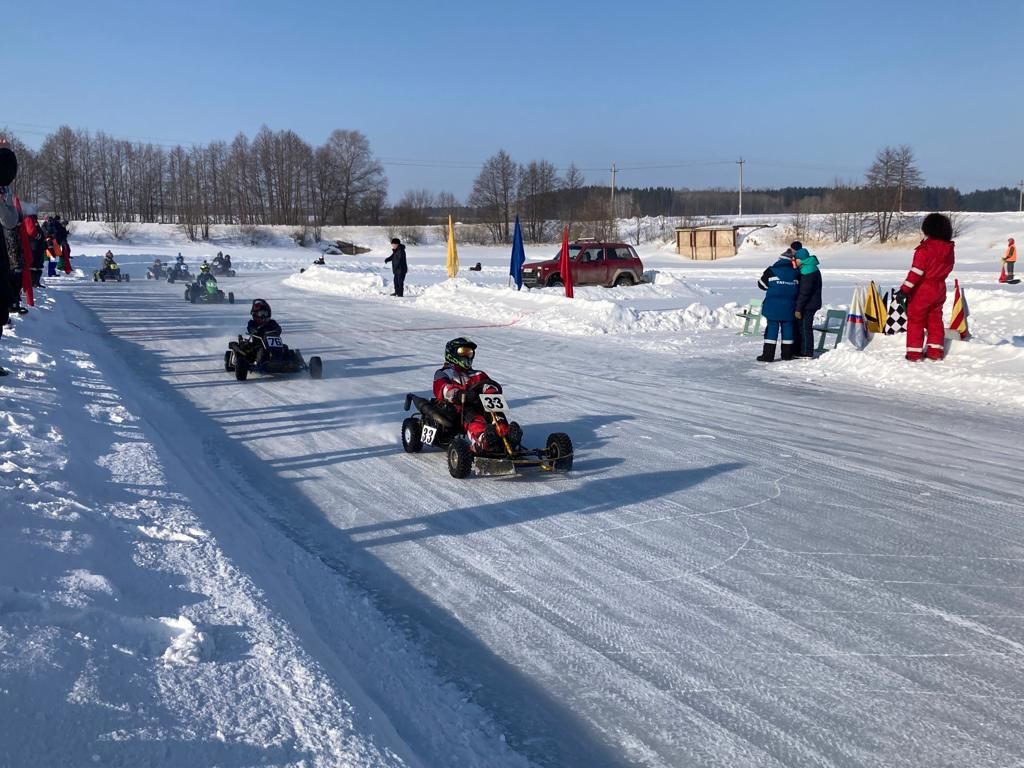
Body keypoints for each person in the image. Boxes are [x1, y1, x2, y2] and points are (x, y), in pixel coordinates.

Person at [432, 337, 521, 452]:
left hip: (479, 404)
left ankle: (506, 435)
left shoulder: (478, 374)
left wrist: (491, 392)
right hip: (458, 408)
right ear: (452, 353)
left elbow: (488, 384)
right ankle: (483, 440)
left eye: (470, 353)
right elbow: (443, 388)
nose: (467, 355)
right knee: (474, 418)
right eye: (463, 352)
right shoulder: (443, 373)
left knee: (496, 413)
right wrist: (458, 394)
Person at [895, 213, 955, 361]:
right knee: (935, 319)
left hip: (923, 289)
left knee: (916, 320)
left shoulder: (925, 249)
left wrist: (904, 290)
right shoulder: (949, 249)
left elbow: (916, 273)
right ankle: (935, 352)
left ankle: (914, 354)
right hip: (940, 288)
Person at [755, 249, 800, 362]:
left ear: (780, 259)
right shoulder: (796, 273)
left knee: (772, 329)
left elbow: (761, 285)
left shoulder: (771, 270)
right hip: (790, 307)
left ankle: (768, 356)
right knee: (788, 329)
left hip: (773, 307)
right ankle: (787, 355)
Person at [791, 242, 822, 358]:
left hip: (808, 305)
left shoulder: (807, 271)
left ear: (801, 259)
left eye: (796, 259)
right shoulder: (811, 267)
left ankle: (806, 352)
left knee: (805, 328)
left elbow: (805, 292)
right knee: (803, 327)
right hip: (811, 303)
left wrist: (798, 308)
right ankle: (802, 350)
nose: (795, 262)